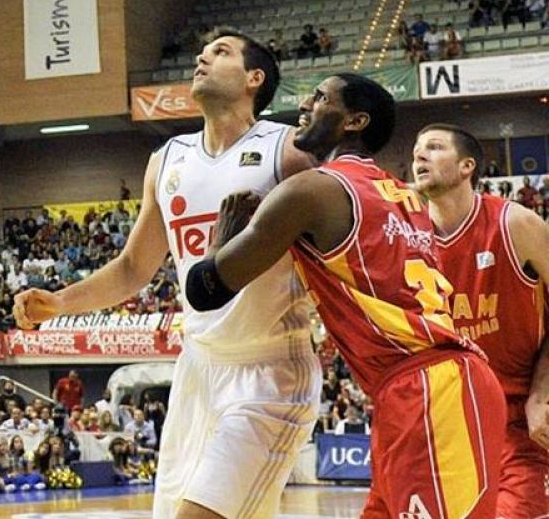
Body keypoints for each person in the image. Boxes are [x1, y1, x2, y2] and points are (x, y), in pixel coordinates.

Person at [13, 30, 318, 519]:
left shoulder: (289, 152)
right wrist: (62, 302)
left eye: (221, 52)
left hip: (269, 369)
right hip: (196, 368)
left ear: (254, 78)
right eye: (203, 51)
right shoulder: (167, 159)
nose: (202, 57)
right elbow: (134, 267)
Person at [186, 74, 505, 518]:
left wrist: (220, 240)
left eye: (320, 98)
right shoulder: (403, 197)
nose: (305, 105)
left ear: (355, 121)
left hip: (428, 389)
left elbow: (204, 289)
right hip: (419, 388)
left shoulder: (313, 190)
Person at [414, 124, 549, 517]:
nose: (419, 155)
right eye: (416, 150)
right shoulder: (407, 238)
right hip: (449, 424)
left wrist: (542, 391)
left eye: (434, 147)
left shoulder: (515, 224)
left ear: (466, 166)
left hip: (520, 419)